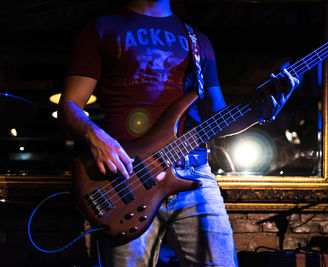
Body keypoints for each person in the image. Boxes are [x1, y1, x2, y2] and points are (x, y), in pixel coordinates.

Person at [58, 0, 299, 266]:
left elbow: (217, 120)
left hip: (194, 172)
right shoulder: (102, 28)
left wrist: (261, 112)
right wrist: (95, 136)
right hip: (127, 178)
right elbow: (69, 106)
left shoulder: (198, 41)